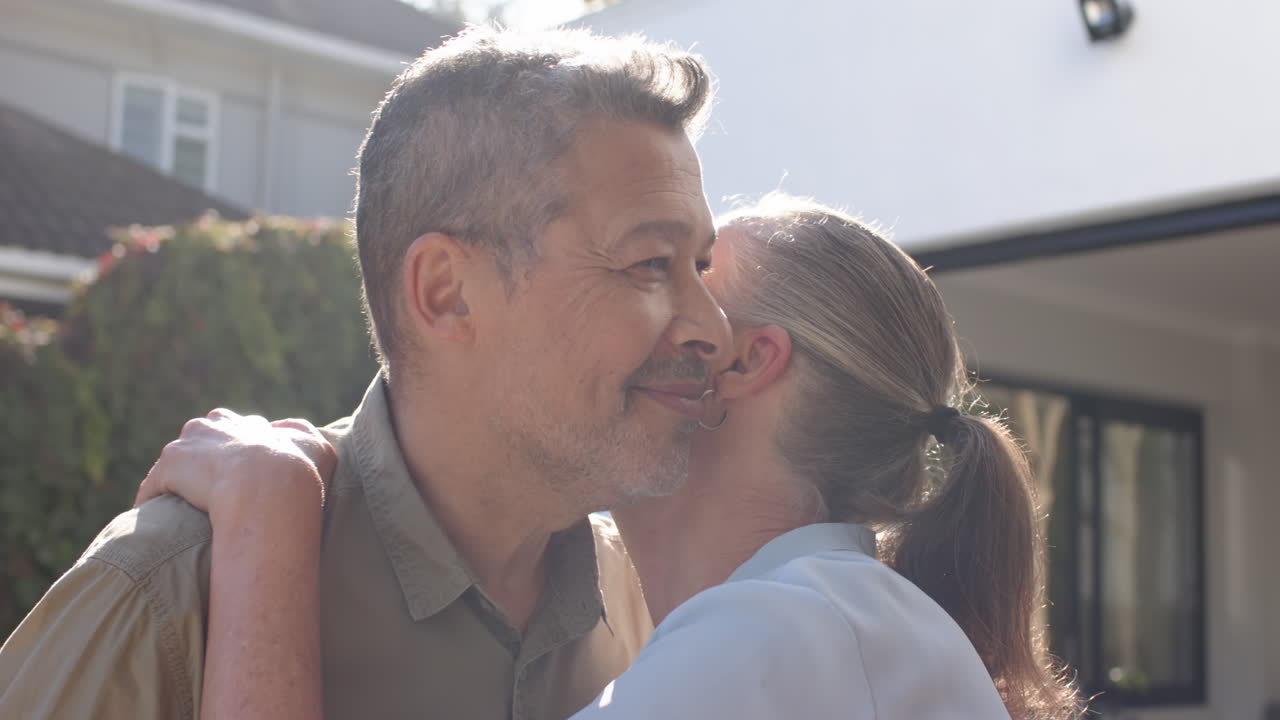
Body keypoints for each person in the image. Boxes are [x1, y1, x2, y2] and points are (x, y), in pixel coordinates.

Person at [0, 26, 733, 720]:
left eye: (699, 266)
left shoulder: (640, 609)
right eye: (649, 264)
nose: (714, 329)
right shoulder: (163, 597)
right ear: (447, 291)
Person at [136, 195, 1085, 719]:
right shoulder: (870, 634)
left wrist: (266, 522)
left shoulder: (762, 650)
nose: (642, 302)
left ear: (744, 362)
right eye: (647, 268)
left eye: (681, 273)